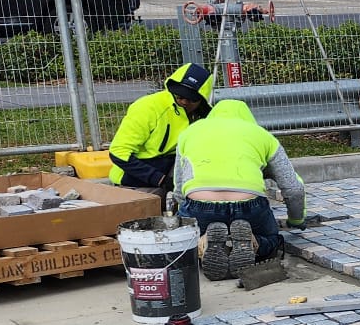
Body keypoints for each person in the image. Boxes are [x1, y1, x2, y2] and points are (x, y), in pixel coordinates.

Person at [170, 98, 307, 282]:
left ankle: (203, 242)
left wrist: (182, 216)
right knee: (273, 239)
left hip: (200, 204)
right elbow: (294, 188)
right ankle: (253, 243)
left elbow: (179, 188)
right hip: (249, 205)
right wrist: (296, 220)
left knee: (182, 238)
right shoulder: (262, 135)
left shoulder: (190, 132)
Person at [108, 63, 214, 199]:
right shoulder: (148, 108)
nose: (184, 102)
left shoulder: (206, 116)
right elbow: (118, 152)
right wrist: (160, 180)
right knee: (154, 205)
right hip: (137, 178)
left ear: (202, 99)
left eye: (191, 99)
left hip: (172, 171)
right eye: (180, 96)